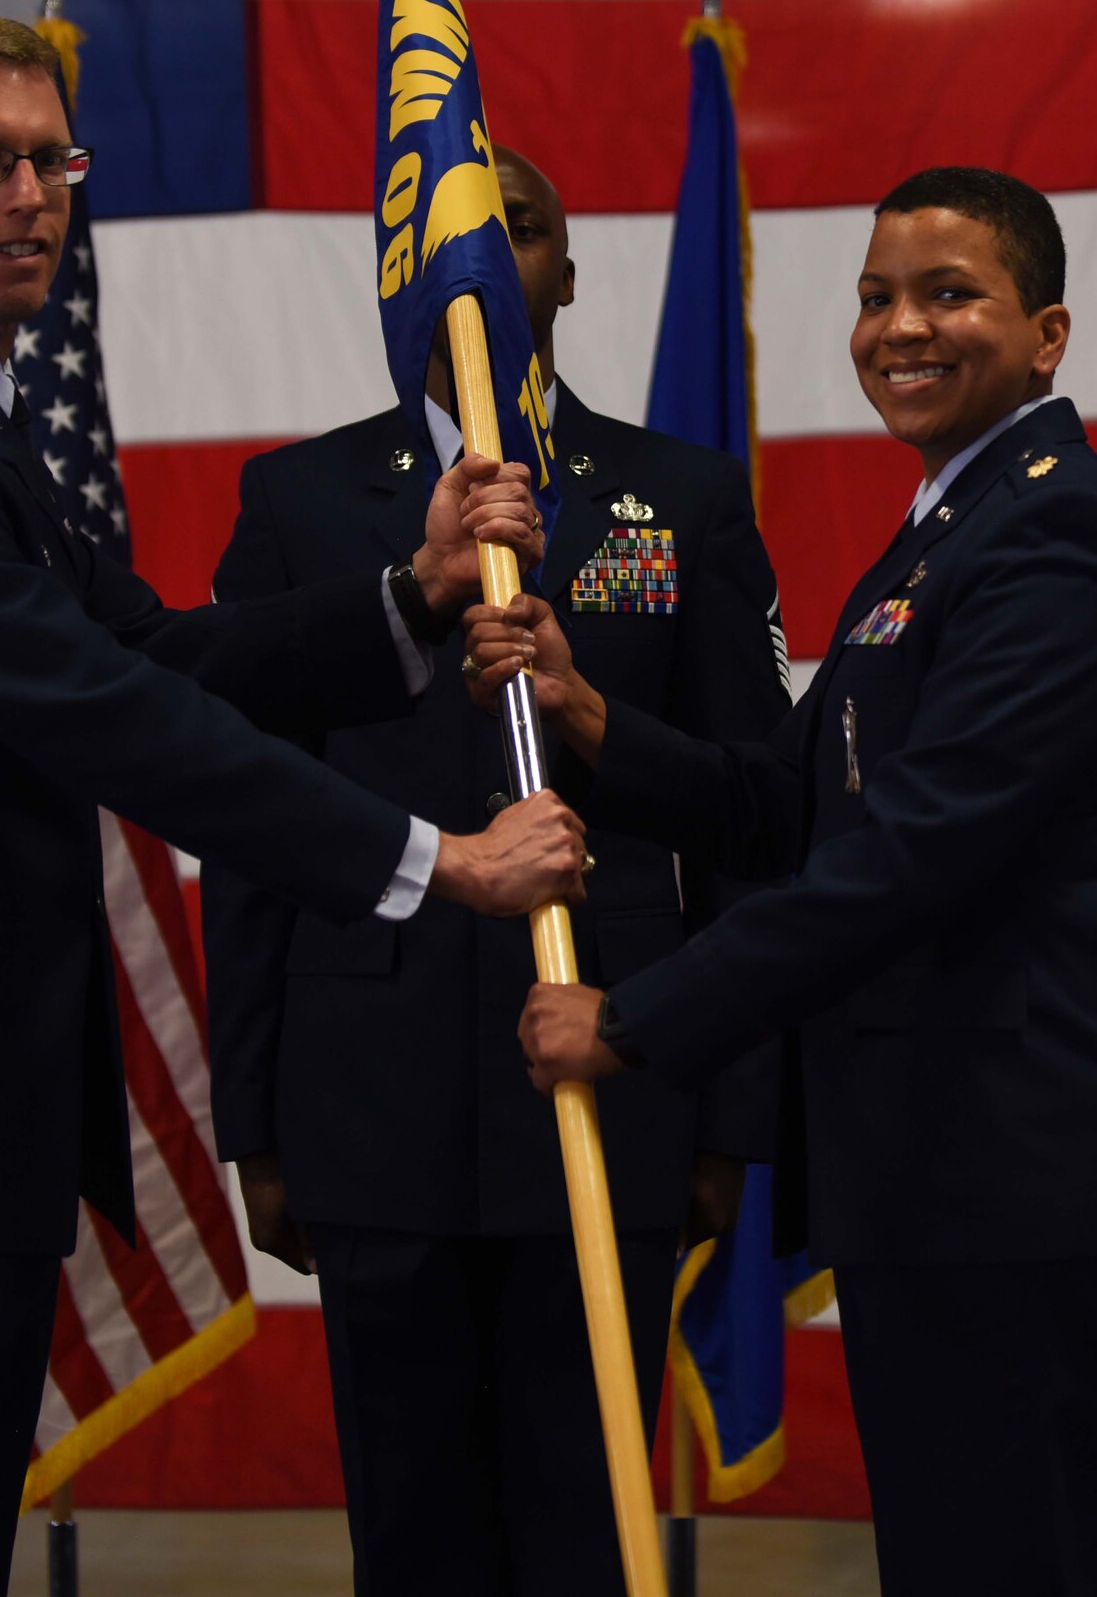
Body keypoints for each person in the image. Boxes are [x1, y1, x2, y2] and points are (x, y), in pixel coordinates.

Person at [0, 15, 585, 1597]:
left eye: (53, 158)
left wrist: (412, 587)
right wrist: (436, 862)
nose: (31, 193)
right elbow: (118, 716)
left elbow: (156, 644)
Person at [474, 167, 1097, 1595]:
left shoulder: (1054, 527)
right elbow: (791, 796)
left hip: (1011, 1156)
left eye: (947, 293)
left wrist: (631, 1021)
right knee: (955, 1558)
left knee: (1003, 1566)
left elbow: (905, 857)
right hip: (933, 1157)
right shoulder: (942, 527)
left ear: (1046, 332)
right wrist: (593, 718)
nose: (898, 328)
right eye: (875, 297)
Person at [201, 146, 791, 1594]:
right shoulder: (299, 503)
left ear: (566, 274)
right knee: (413, 1535)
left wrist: (731, 1111)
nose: (484, 262)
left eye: (519, 230)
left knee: (583, 1519)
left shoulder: (682, 497)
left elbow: (756, 823)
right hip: (369, 1090)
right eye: (448, 240)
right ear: (403, 281)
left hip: (613, 1083)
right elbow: (248, 820)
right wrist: (256, 1118)